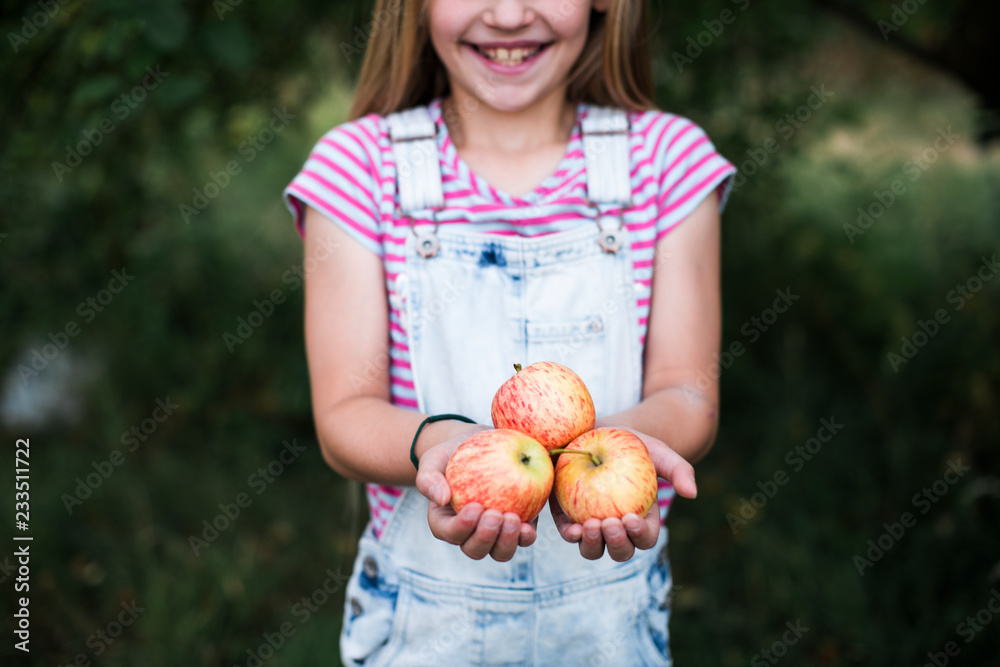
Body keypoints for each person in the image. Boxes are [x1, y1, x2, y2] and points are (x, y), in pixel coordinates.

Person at [284, 1, 735, 664]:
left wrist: (616, 450)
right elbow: (345, 414)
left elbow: (686, 393)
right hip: (424, 634)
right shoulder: (359, 170)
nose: (507, 13)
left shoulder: (666, 162)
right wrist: (443, 450)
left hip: (605, 634)